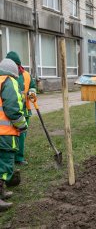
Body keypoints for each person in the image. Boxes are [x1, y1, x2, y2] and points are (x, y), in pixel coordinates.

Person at [0, 58, 27, 211]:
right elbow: (12, 108)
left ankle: (1, 192)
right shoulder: (9, 82)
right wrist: (22, 125)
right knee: (4, 163)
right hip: (4, 133)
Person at [6, 51, 36, 166]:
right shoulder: (5, 77)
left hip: (25, 111)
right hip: (9, 111)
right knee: (9, 134)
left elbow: (33, 86)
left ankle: (19, 157)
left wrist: (32, 93)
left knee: (22, 135)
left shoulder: (26, 75)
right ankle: (10, 156)